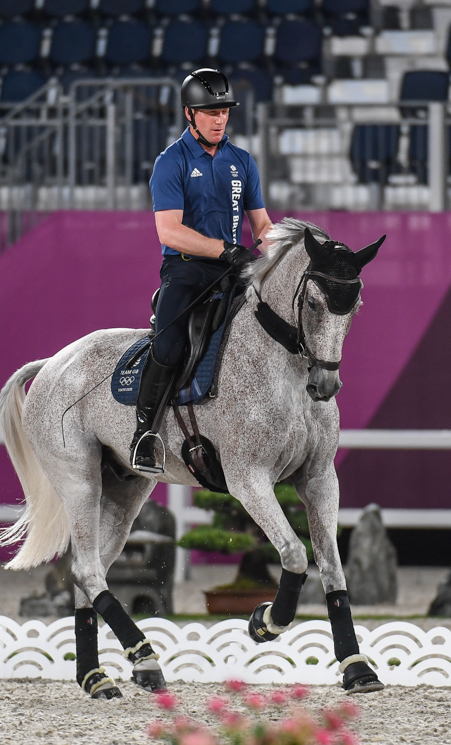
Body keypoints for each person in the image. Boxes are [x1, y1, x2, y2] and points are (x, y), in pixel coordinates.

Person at [130, 68, 273, 474]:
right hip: (186, 270)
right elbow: (169, 231)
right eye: (211, 112)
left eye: (224, 111)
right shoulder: (170, 162)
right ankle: (144, 435)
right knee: (170, 344)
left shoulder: (242, 161)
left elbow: (262, 226)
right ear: (189, 114)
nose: (220, 119)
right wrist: (226, 249)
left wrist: (280, 248)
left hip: (233, 271)